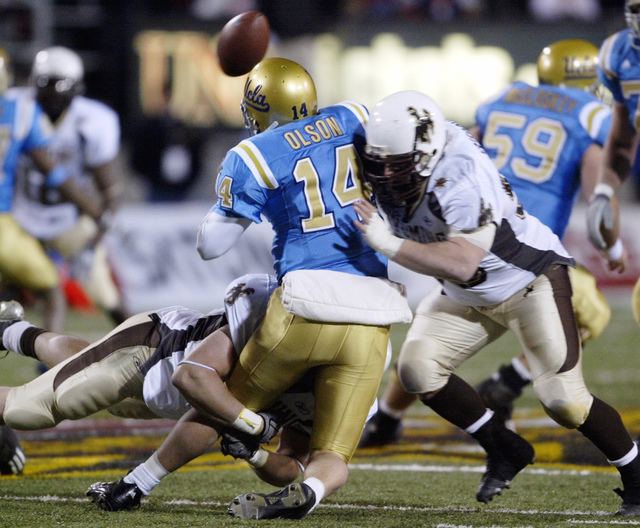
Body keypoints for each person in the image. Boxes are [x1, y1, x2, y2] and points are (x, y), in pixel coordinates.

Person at [353, 89, 640, 517]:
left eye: (399, 163)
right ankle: (504, 448)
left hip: (527, 280)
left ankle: (637, 477)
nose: (387, 173)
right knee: (416, 370)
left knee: (565, 401)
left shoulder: (461, 173)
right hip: (467, 293)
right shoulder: (397, 156)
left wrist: (387, 244)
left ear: (428, 152)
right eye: (381, 162)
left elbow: (463, 261)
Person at [167, 57, 411, 520]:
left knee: (227, 410)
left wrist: (231, 201)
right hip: (373, 308)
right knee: (333, 451)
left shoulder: (255, 153)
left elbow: (210, 246)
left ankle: (139, 481)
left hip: (304, 304)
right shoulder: (355, 115)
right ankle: (313, 490)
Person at [359, 39, 622, 446]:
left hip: (480, 228)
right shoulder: (588, 115)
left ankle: (394, 415)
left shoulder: (505, 99)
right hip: (509, 233)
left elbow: (467, 146)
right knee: (593, 312)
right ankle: (505, 384)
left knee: (435, 341)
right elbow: (597, 192)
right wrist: (612, 246)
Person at [6, 46, 126, 332]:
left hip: (67, 221)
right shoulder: (16, 107)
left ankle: (151, 342)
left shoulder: (94, 120)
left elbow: (110, 188)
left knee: (104, 294)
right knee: (44, 291)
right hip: (18, 216)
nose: (52, 96)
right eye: (46, 87)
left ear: (77, 89)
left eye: (59, 89)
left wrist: (95, 239)